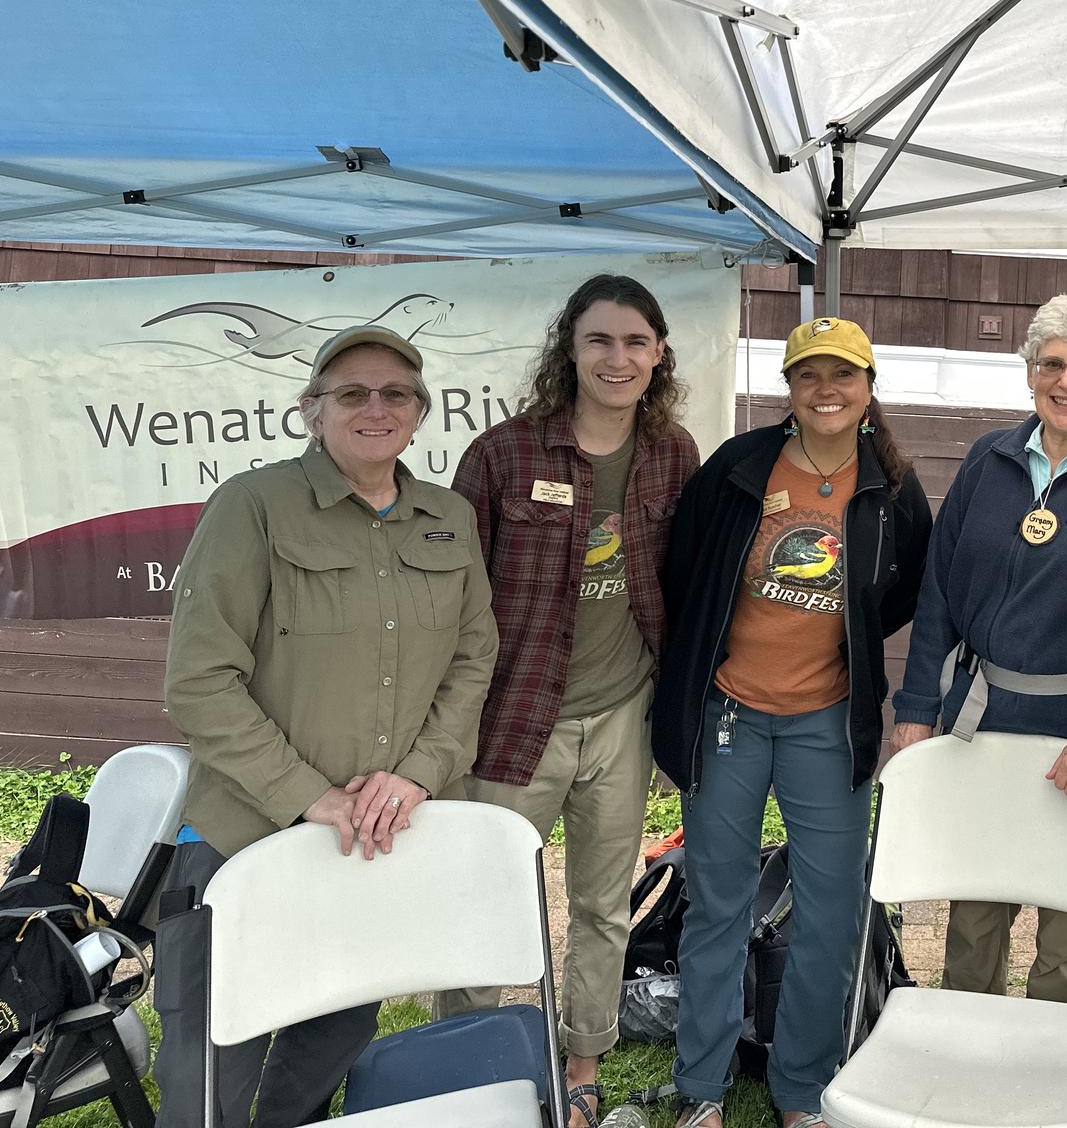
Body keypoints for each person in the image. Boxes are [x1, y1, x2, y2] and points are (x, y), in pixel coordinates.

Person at [155, 324, 498, 1128]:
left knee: (332, 1035)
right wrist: (309, 795)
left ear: (419, 414)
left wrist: (418, 774)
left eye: (396, 394)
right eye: (352, 393)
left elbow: (472, 662)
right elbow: (199, 682)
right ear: (312, 410)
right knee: (210, 1067)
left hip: (372, 843)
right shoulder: (253, 507)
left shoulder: (448, 517)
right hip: (245, 838)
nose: (375, 408)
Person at [652, 316, 932, 1128]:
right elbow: (687, 568)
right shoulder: (741, 466)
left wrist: (843, 635)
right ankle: (700, 1089)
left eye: (842, 375)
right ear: (789, 387)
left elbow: (903, 591)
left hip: (828, 722)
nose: (826, 390)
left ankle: (801, 1090)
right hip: (729, 714)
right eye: (809, 375)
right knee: (717, 904)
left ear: (869, 388)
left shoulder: (892, 484)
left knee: (833, 910)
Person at [434, 275, 700, 1128]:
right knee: (486, 896)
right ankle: (467, 1064)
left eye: (634, 343)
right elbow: (453, 592)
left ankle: (581, 1062)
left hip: (623, 712)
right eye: (599, 341)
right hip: (515, 716)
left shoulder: (673, 453)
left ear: (658, 355)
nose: (616, 359)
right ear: (570, 350)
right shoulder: (505, 453)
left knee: (601, 901)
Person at [891, 291, 1067, 1006]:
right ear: (1029, 371)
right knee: (974, 918)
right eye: (1051, 363)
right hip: (982, 723)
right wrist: (919, 708)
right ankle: (963, 1064)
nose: (1066, 381)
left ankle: (1057, 1078)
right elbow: (939, 594)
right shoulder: (991, 458)